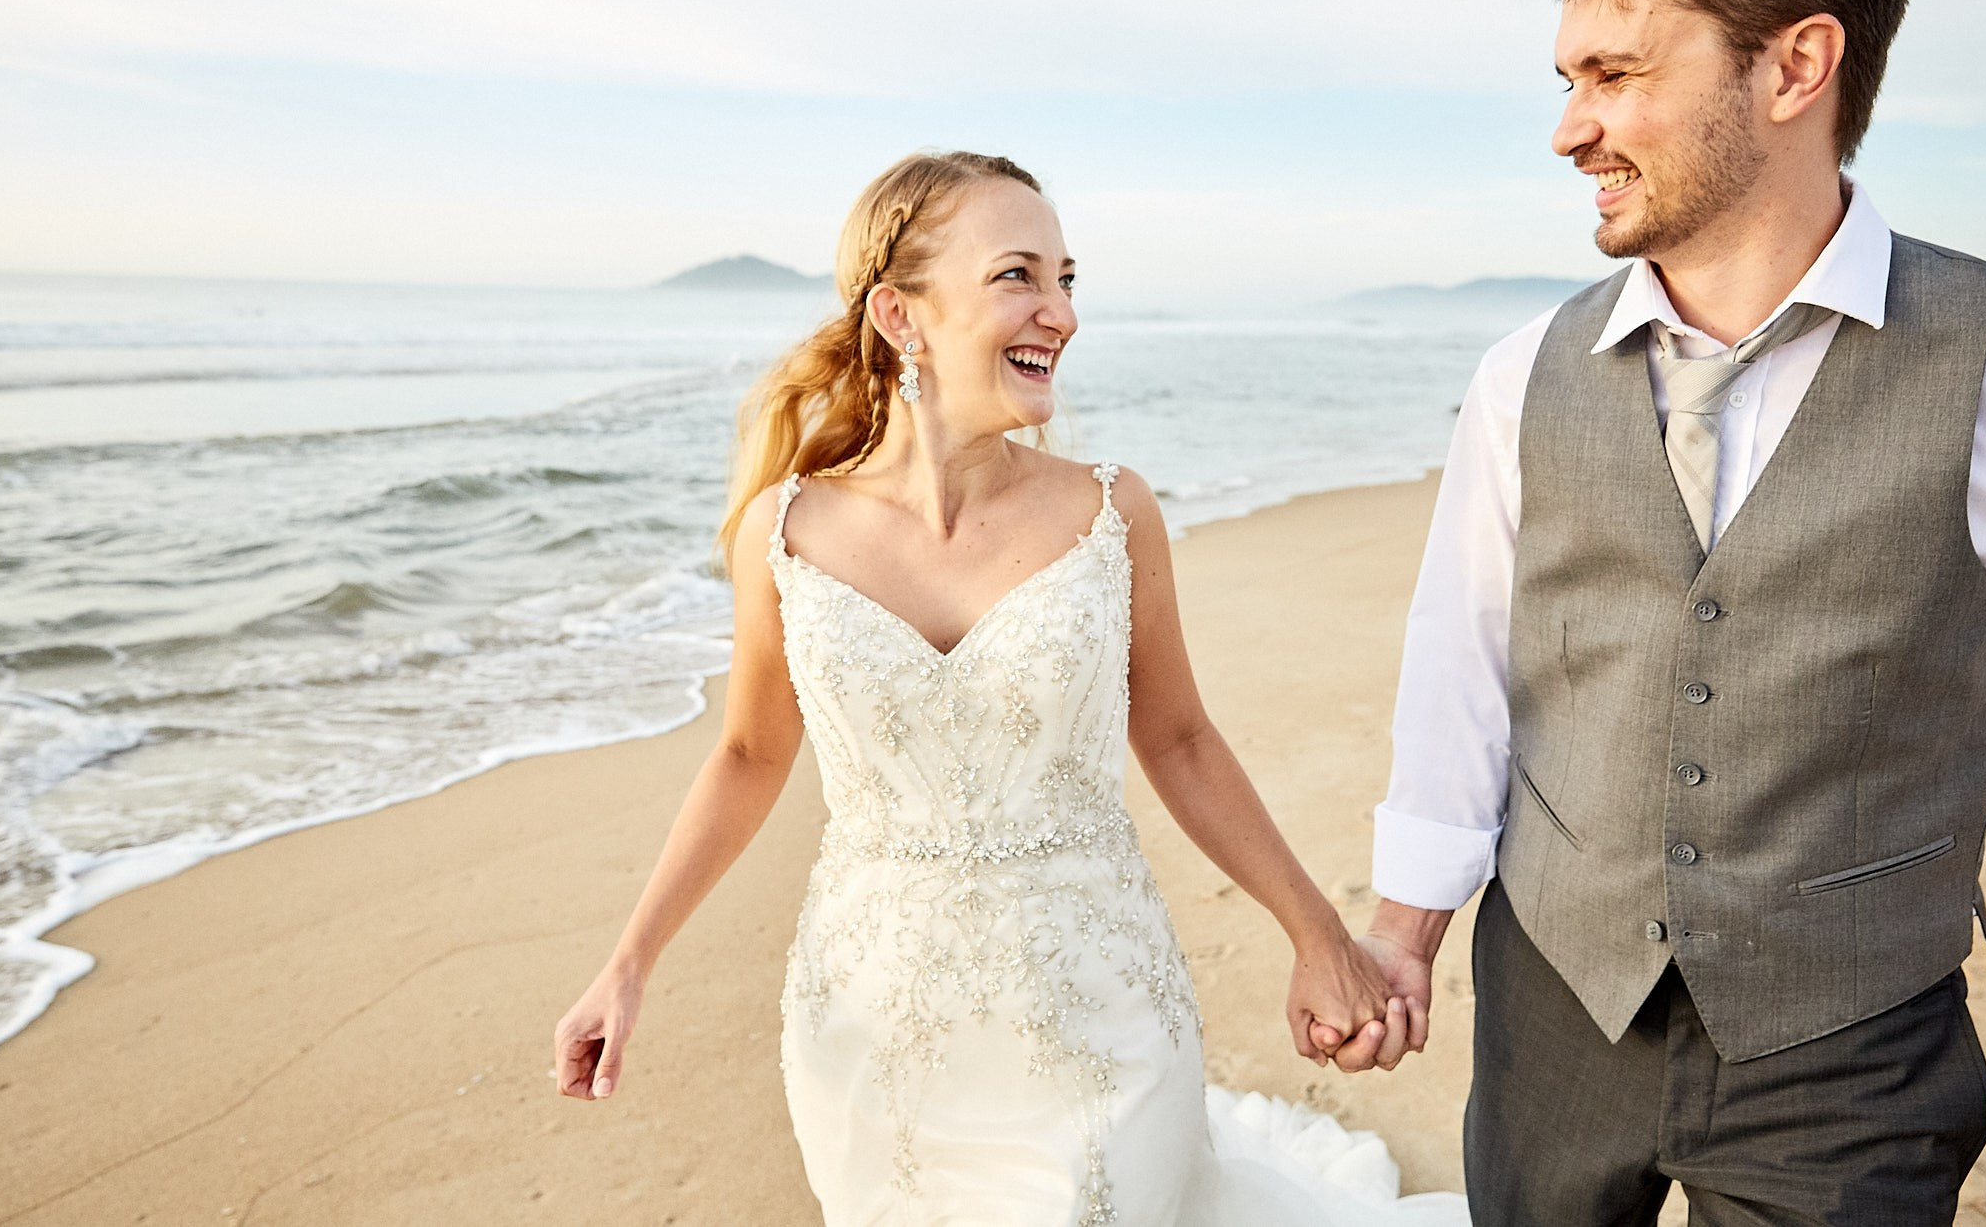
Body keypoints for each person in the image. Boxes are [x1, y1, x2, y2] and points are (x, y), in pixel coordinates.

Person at [553, 150, 1468, 1223]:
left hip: (1099, 1014)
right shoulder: (785, 535)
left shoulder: (1110, 512)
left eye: (1066, 279)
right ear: (901, 316)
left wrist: (1318, 938)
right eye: (1017, 277)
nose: (1061, 314)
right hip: (871, 1033)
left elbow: (1177, 740)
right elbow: (748, 755)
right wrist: (627, 965)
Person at [1356, 0, 1986, 1222]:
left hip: (1850, 1054)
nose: (1569, 129)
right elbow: (1466, 669)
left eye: (1614, 74)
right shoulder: (1519, 376)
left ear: (1794, 67)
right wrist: (1402, 931)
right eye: (1566, 79)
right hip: (1556, 1006)